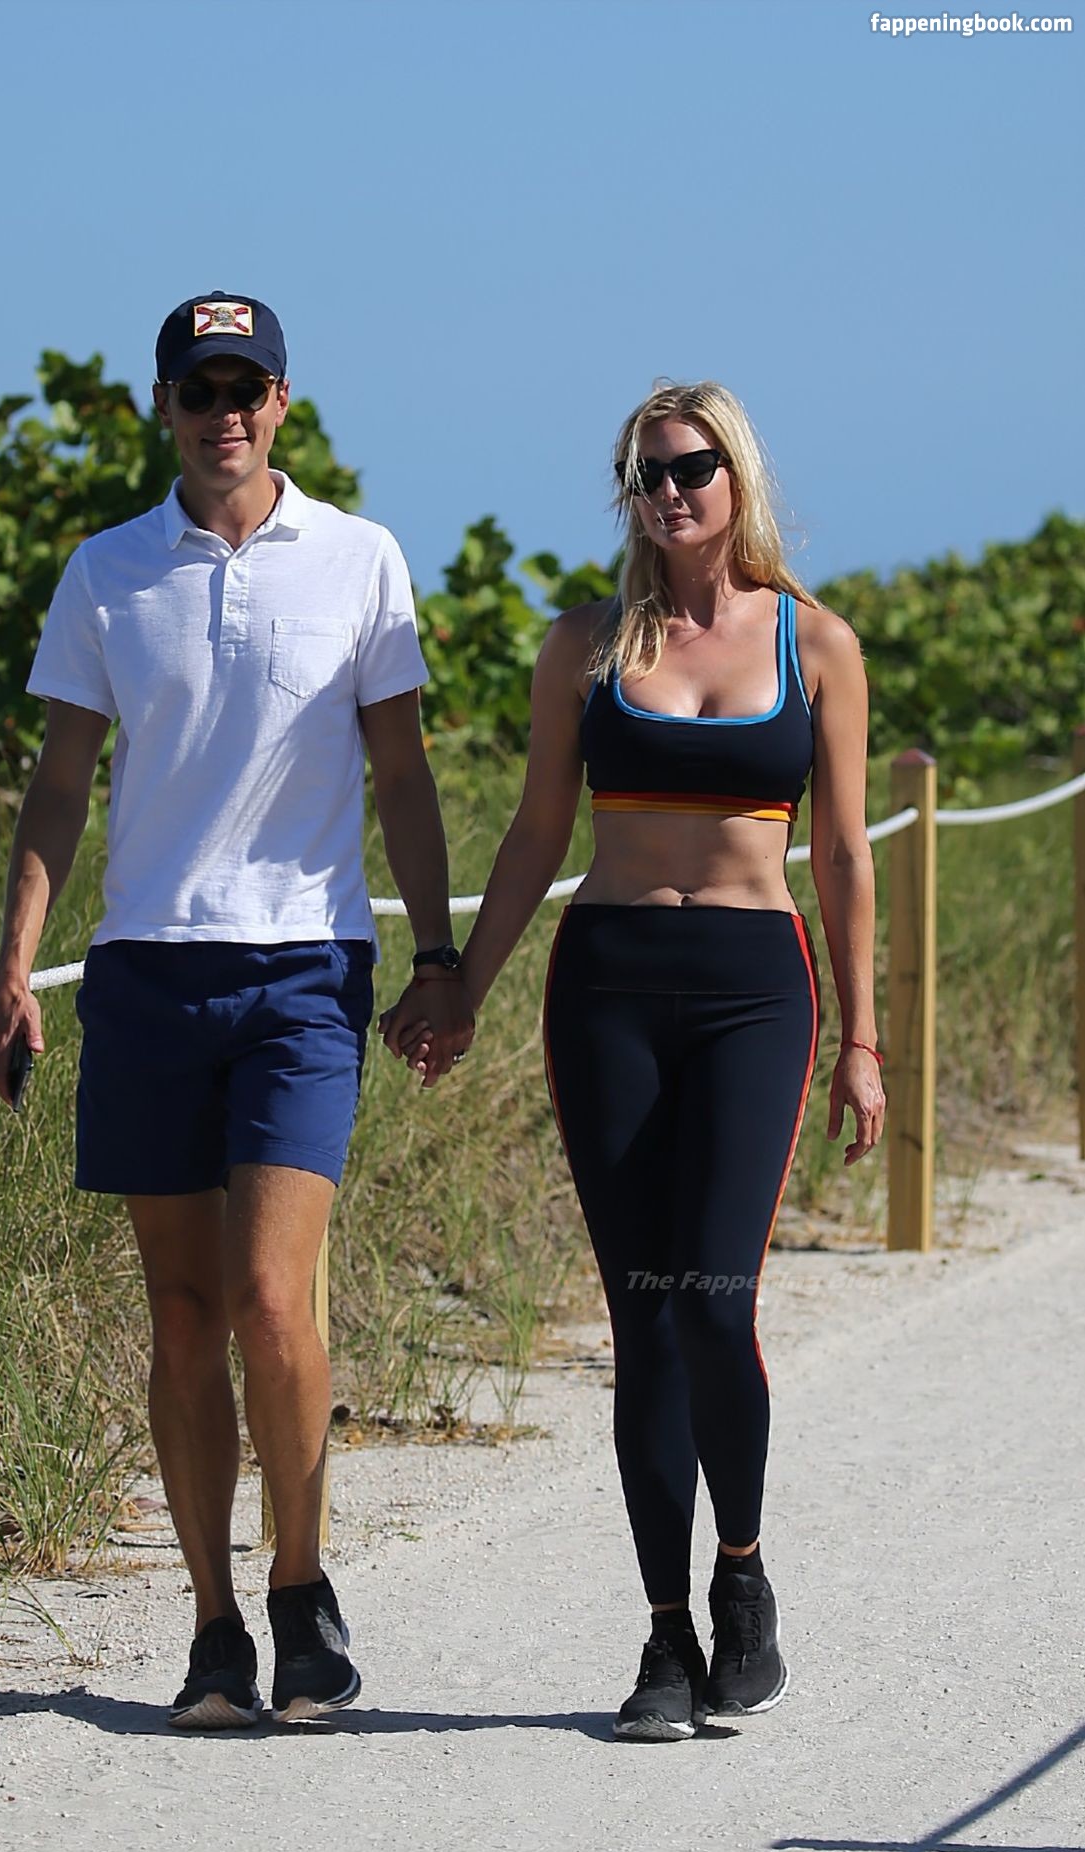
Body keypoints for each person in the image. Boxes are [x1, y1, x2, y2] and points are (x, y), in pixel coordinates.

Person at [0, 290, 475, 1730]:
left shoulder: (360, 557)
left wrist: (437, 956)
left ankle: (302, 1589)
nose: (224, 415)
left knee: (269, 1297)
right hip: (147, 973)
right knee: (184, 1313)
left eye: (245, 388)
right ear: (165, 406)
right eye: (199, 391)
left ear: (282, 402)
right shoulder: (107, 571)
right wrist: (15, 969)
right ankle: (213, 1627)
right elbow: (60, 785)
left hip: (304, 972)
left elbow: (401, 775)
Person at [381, 379, 885, 1740]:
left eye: (692, 467)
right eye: (647, 474)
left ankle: (743, 1579)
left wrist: (861, 1041)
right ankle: (664, 1636)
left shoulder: (815, 644)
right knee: (644, 1317)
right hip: (606, 987)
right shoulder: (584, 647)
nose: (670, 492)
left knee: (715, 1301)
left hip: (752, 991)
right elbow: (537, 832)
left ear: (737, 476)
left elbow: (843, 853)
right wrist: (459, 982)